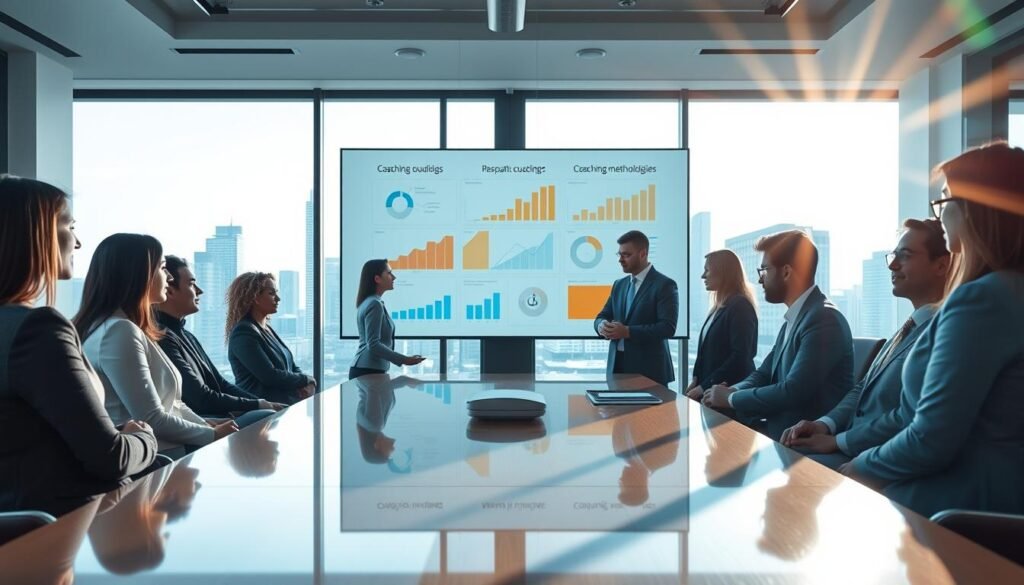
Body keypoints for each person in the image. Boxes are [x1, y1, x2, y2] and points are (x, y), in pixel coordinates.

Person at [842, 142, 1024, 517]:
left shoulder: (982, 301)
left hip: (960, 508)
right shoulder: (1006, 292)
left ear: (978, 208)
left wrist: (856, 468)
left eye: (944, 201)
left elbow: (929, 439)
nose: (938, 215)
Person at [0, 176, 158, 517]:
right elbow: (111, 458)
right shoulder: (37, 329)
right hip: (64, 532)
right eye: (70, 225)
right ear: (37, 233)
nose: (78, 241)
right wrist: (144, 436)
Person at [781, 219, 951, 467]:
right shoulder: (909, 326)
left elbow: (908, 416)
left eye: (905, 256)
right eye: (893, 255)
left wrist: (839, 441)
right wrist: (824, 425)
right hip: (853, 445)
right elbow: (862, 389)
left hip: (880, 458)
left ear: (941, 265)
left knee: (790, 468)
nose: (892, 265)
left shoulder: (943, 332)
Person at [76, 234, 238, 456]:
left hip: (169, 448)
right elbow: (151, 418)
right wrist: (212, 435)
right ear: (140, 275)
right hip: (158, 456)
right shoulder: (119, 331)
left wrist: (207, 426)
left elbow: (174, 404)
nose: (169, 276)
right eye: (163, 268)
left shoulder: (127, 328)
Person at [703, 229, 853, 441]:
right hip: (776, 431)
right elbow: (763, 374)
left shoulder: (824, 319)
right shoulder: (796, 318)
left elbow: (792, 391)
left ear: (786, 272)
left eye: (764, 270)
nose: (759, 280)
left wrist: (731, 399)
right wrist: (729, 391)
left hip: (798, 441)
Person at [155, 255, 283, 426]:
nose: (199, 291)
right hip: (203, 424)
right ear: (169, 290)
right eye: (192, 284)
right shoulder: (162, 337)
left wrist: (261, 403)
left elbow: (220, 383)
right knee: (268, 418)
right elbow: (200, 397)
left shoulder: (186, 335)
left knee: (270, 413)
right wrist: (259, 405)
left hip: (219, 417)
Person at [595, 230, 680, 386]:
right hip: (617, 367)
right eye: (619, 254)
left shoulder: (664, 285)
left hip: (649, 371)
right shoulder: (619, 285)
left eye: (626, 255)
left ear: (643, 254)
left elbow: (667, 327)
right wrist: (602, 326)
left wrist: (627, 332)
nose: (620, 260)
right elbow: (602, 315)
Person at [226, 271, 315, 405]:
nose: (278, 298)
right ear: (255, 297)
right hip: (262, 409)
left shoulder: (267, 328)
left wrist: (306, 383)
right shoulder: (243, 332)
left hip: (283, 405)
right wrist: (307, 379)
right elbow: (269, 376)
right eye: (271, 293)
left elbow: (291, 366)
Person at [686, 249, 758, 400]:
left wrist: (704, 386)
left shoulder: (740, 306)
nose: (703, 276)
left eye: (707, 270)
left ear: (723, 272)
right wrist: (696, 380)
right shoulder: (719, 307)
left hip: (728, 394)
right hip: (710, 392)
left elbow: (740, 356)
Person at [350, 259, 425, 380]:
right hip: (368, 370)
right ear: (377, 279)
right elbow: (373, 344)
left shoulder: (370, 302)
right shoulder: (374, 304)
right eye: (389, 273)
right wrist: (404, 359)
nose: (394, 277)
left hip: (368, 369)